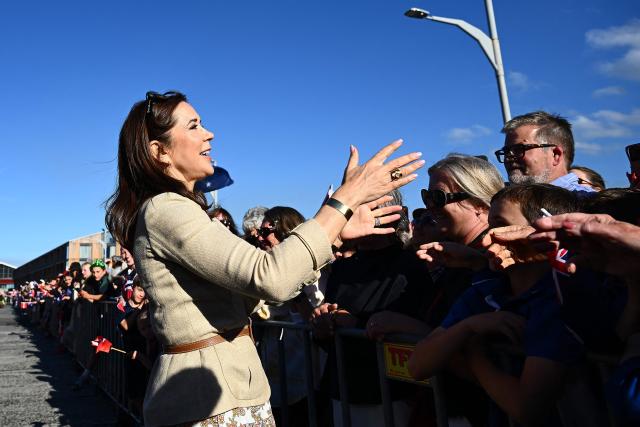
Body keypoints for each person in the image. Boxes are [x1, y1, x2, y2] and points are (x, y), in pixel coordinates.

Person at [104, 90, 423, 426]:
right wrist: (345, 200)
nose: (209, 134)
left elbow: (263, 285)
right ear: (159, 151)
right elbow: (269, 276)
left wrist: (337, 231)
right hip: (207, 399)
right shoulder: (166, 209)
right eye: (194, 126)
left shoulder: (175, 210)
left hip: (224, 390)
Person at [496, 111, 593, 193]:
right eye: (506, 151)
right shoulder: (504, 206)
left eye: (519, 149)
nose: (508, 157)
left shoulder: (591, 206)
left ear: (556, 155)